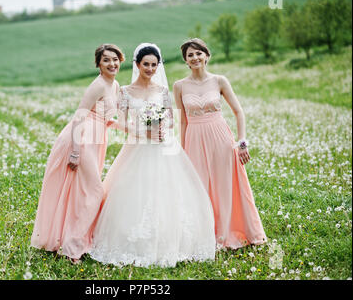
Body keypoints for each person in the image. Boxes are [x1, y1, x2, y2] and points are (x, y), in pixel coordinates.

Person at [89, 43, 215, 268]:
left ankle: (169, 237)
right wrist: (141, 130)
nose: (149, 68)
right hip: (137, 145)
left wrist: (160, 127)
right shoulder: (125, 91)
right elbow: (119, 121)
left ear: (158, 66)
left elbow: (171, 118)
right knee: (134, 190)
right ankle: (133, 239)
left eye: (154, 65)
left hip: (163, 144)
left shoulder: (163, 91)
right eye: (145, 64)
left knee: (168, 190)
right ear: (137, 65)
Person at [31, 44, 124, 263]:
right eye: (106, 60)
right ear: (98, 64)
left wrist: (134, 129)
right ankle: (72, 249)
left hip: (96, 139)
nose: (112, 64)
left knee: (81, 193)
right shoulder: (98, 85)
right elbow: (80, 116)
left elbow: (107, 119)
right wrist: (74, 151)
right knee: (94, 191)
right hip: (81, 139)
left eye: (115, 59)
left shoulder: (115, 85)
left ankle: (70, 239)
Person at [173, 38, 267, 250]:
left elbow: (238, 112)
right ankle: (205, 234)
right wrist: (183, 150)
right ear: (186, 61)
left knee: (226, 185)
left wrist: (242, 143)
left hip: (221, 137)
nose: (195, 58)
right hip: (194, 139)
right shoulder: (179, 86)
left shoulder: (220, 81)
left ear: (206, 56)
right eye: (190, 55)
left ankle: (229, 233)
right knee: (200, 187)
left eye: (198, 53)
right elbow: (182, 121)